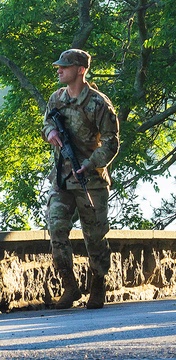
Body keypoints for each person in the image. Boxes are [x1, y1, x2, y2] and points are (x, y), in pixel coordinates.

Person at [43, 49, 120, 310]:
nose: (59, 70)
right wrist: (51, 131)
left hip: (90, 180)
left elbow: (111, 144)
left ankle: (98, 284)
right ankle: (69, 285)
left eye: (65, 66)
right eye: (59, 66)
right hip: (62, 179)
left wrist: (89, 164)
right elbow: (45, 124)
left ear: (80, 70)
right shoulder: (56, 99)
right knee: (56, 228)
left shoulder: (99, 104)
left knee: (95, 235)